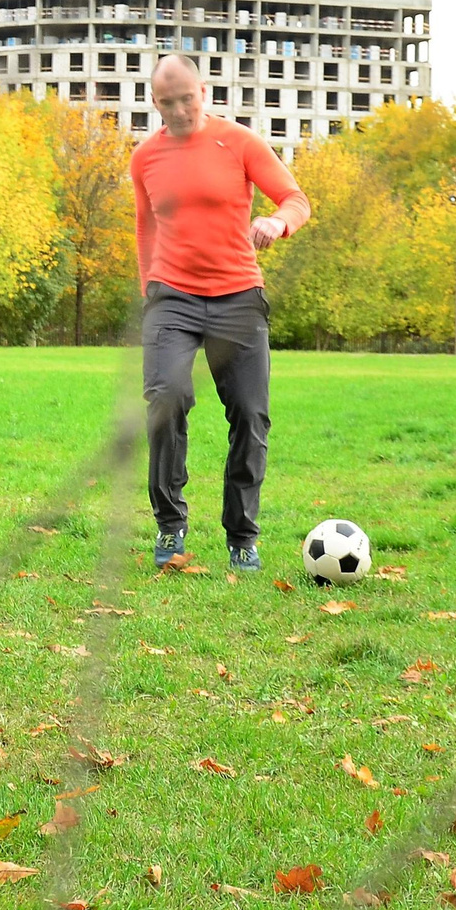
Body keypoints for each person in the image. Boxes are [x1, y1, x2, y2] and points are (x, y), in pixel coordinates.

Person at [131, 55, 311, 571]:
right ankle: (171, 528)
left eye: (187, 98)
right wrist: (150, 286)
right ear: (155, 102)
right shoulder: (145, 158)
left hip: (238, 297)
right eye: (168, 103)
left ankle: (242, 535)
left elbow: (295, 198)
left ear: (203, 91)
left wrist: (278, 222)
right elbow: (147, 226)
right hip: (172, 299)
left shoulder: (239, 143)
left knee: (251, 415)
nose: (180, 110)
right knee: (166, 398)